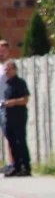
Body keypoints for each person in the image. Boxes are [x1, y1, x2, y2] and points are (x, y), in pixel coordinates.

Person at [1, 60, 31, 176]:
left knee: (20, 141)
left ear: (14, 70)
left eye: (8, 70)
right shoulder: (7, 84)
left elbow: (25, 99)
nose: (6, 72)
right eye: (5, 70)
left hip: (19, 116)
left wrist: (13, 102)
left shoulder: (20, 83)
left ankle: (26, 167)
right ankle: (16, 166)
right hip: (8, 116)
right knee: (12, 142)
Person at [0, 39, 12, 175]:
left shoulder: (9, 67)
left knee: (9, 136)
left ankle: (11, 163)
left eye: (3, 51)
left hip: (5, 105)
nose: (1, 53)